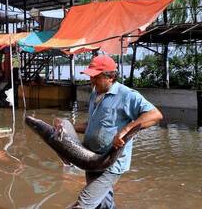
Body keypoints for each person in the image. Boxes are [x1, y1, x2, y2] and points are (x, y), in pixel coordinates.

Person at [54, 55, 163, 209]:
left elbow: (155, 115)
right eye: (91, 77)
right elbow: (92, 125)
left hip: (111, 162)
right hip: (90, 159)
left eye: (96, 77)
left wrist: (125, 130)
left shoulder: (127, 95)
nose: (92, 81)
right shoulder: (94, 95)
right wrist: (67, 128)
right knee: (104, 203)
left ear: (110, 77)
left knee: (84, 203)